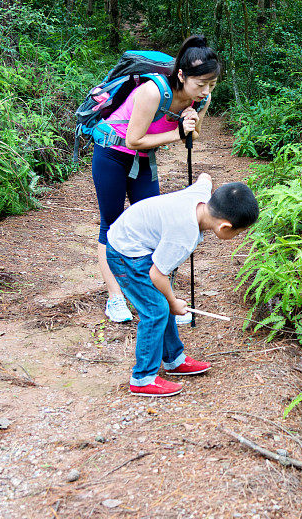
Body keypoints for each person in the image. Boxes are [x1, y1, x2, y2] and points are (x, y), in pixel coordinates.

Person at [92, 35, 220, 324]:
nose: (206, 91)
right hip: (112, 153)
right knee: (111, 223)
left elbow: (194, 134)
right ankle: (115, 297)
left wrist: (190, 123)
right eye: (200, 84)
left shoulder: (203, 98)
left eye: (211, 84)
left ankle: (161, 298)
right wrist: (179, 132)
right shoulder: (153, 92)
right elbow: (133, 139)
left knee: (155, 222)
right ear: (181, 75)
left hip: (144, 159)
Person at [105, 173, 259, 396]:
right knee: (157, 309)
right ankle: (142, 378)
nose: (238, 236)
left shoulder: (202, 195)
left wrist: (204, 179)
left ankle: (174, 359)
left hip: (137, 241)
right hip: (126, 253)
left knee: (161, 304)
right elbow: (157, 275)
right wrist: (173, 302)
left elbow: (204, 178)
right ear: (225, 227)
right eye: (239, 232)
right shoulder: (183, 235)